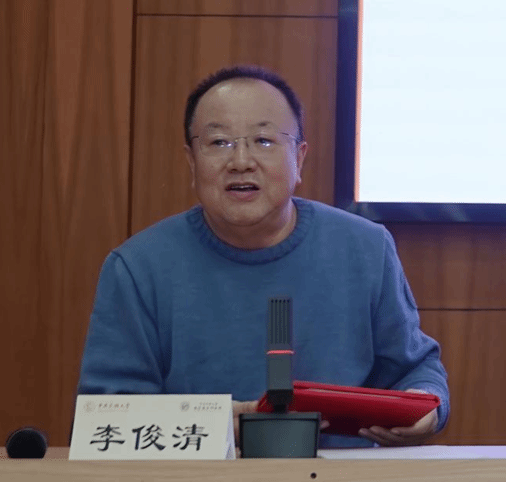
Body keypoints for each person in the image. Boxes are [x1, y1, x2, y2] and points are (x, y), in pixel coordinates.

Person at [77, 65, 450, 448]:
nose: (241, 161)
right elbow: (105, 418)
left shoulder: (366, 248)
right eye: (219, 142)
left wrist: (428, 406)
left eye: (263, 140)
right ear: (191, 161)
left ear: (299, 158)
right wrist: (217, 427)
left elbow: (415, 370)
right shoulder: (138, 267)